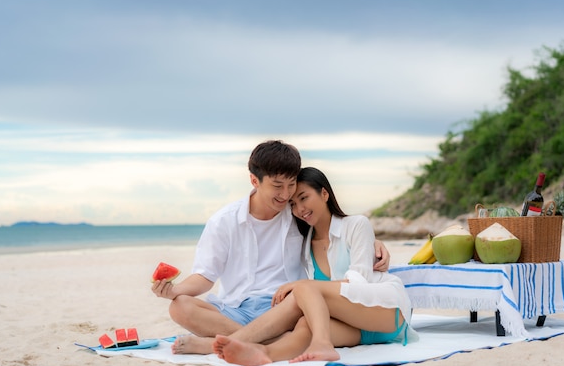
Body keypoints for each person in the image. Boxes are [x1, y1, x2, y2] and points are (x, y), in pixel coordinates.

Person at [151, 141, 391, 354]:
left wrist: (373, 245)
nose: (285, 194)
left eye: (291, 184)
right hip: (235, 308)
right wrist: (175, 290)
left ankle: (238, 342)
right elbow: (205, 276)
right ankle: (257, 341)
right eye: (278, 186)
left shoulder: (297, 213)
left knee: (305, 305)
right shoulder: (224, 221)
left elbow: (334, 230)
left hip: (287, 307)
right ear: (255, 181)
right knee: (180, 307)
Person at [212, 167, 416, 366]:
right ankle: (265, 353)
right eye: (292, 203)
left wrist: (303, 286)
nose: (299, 209)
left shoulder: (356, 225)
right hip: (351, 326)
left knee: (304, 288)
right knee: (304, 324)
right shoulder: (304, 245)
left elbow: (358, 283)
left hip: (383, 313)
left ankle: (321, 343)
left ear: (324, 193)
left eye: (304, 197)